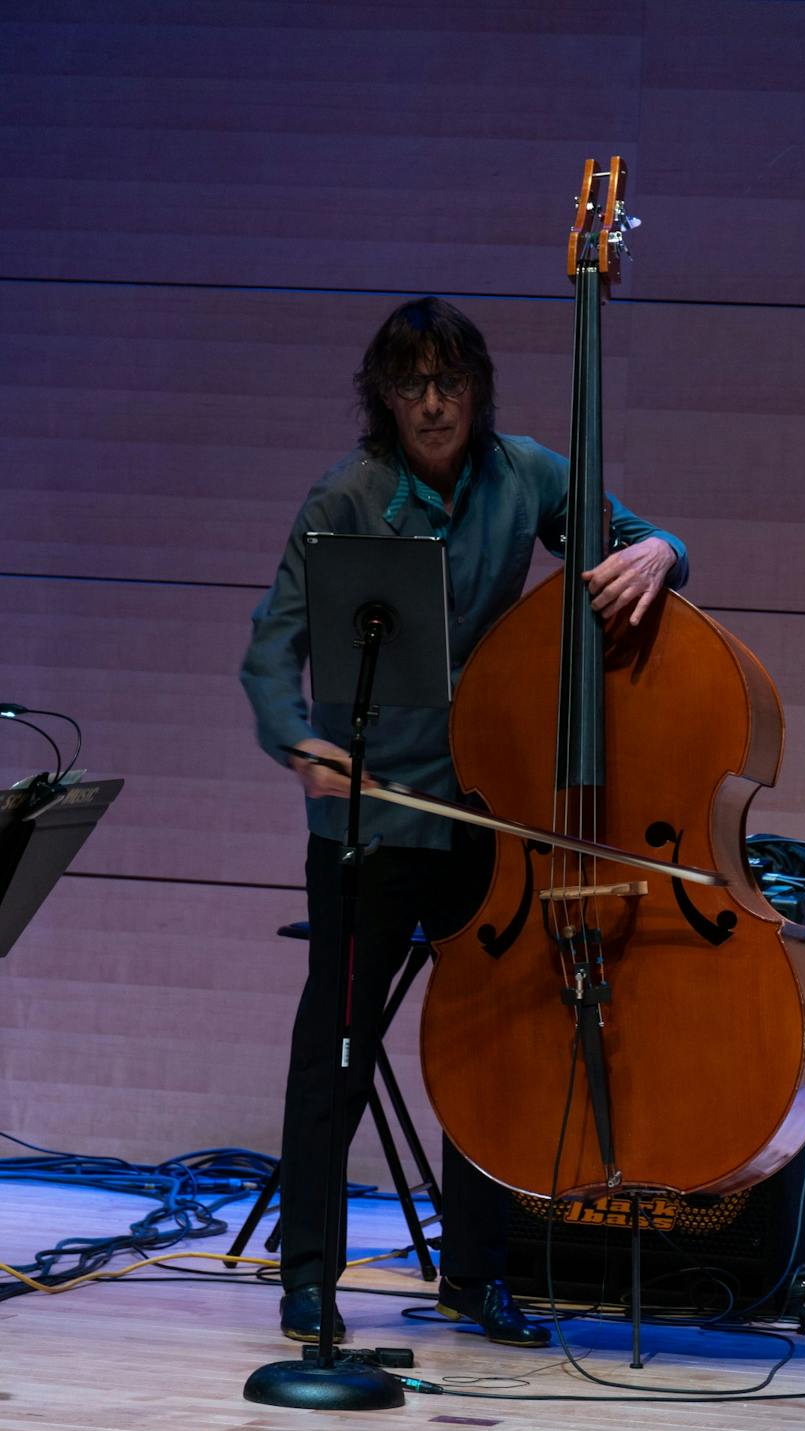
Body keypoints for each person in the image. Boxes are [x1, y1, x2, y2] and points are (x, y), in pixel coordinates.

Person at [239, 296, 688, 1348]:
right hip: (372, 826)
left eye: (449, 384)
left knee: (493, 1054)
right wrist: (300, 742)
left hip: (490, 822)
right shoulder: (345, 496)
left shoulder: (526, 472)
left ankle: (475, 1277)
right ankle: (308, 1276)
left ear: (478, 390)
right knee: (336, 1051)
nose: (432, 405)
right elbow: (272, 648)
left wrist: (662, 549)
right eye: (410, 386)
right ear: (383, 399)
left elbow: (632, 538)